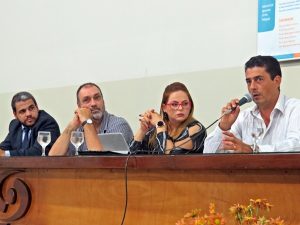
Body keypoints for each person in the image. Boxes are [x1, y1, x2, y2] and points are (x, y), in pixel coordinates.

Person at [204, 55, 300, 153]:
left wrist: (253, 150)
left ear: (277, 81)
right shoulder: (243, 117)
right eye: (248, 81)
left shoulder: (295, 109)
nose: (252, 87)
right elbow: (208, 155)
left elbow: (296, 145)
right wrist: (223, 126)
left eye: (259, 79)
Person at [49, 82, 133, 156]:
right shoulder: (77, 129)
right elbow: (53, 157)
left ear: (103, 101)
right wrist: (71, 127)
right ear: (79, 106)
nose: (93, 103)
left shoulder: (118, 124)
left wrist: (87, 121)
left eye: (97, 98)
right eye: (86, 100)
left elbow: (98, 160)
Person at [130, 82, 207, 154]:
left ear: (191, 106)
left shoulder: (196, 129)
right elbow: (130, 158)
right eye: (174, 104)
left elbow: (170, 157)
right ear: (164, 108)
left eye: (185, 103)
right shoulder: (156, 129)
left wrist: (160, 125)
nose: (180, 108)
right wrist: (143, 130)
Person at [0, 91, 60, 156]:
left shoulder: (47, 122)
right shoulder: (15, 125)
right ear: (15, 115)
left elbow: (38, 152)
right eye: (22, 111)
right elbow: (3, 147)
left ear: (37, 107)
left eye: (31, 108)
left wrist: (6, 154)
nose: (28, 114)